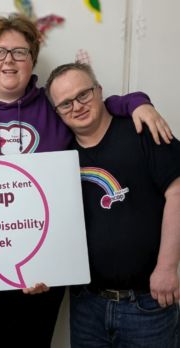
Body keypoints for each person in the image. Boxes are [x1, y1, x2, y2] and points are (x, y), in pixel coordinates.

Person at [0, 14, 173, 348]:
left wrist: (135, 101)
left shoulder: (50, 107)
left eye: (20, 52)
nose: (9, 60)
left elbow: (91, 109)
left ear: (32, 60)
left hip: (37, 281)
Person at [46, 62, 180, 348]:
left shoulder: (142, 129)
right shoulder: (61, 156)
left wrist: (168, 267)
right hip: (86, 305)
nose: (78, 106)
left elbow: (178, 192)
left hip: (148, 303)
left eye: (84, 94)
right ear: (57, 112)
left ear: (100, 91)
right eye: (66, 103)